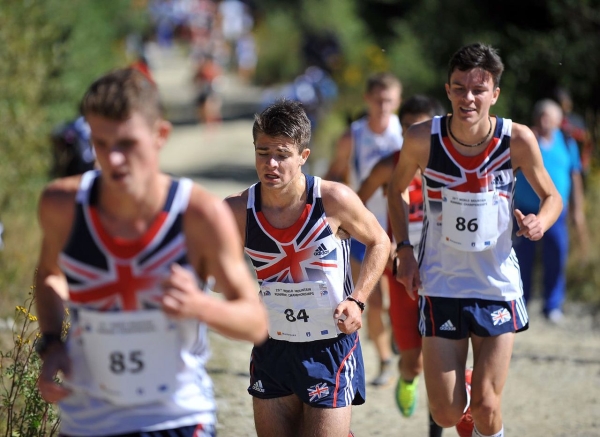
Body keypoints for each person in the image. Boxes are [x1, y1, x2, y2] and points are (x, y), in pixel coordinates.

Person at [34, 67, 268, 437]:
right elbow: (49, 274)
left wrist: (200, 306)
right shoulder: (62, 205)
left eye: (127, 144)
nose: (113, 159)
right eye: (100, 143)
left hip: (175, 417)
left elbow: (255, 322)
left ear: (161, 135)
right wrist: (51, 344)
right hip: (88, 419)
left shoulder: (199, 214)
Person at [387, 43, 562, 437]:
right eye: (460, 88)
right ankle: (466, 386)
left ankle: (483, 406)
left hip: (496, 285)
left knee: (486, 406)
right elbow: (395, 191)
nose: (468, 98)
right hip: (441, 282)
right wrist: (404, 250)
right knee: (446, 414)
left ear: (494, 94)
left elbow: (553, 197)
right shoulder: (422, 139)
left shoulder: (517, 139)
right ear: (448, 90)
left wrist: (540, 222)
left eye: (478, 90)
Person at [225, 99, 390, 437]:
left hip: (329, 344)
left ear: (303, 156)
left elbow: (379, 241)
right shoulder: (238, 210)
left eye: (282, 154)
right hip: (272, 344)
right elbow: (210, 267)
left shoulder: (333, 200)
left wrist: (357, 300)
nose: (271, 163)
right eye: (262, 152)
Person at [357, 94, 445, 437]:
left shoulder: (450, 165)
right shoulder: (389, 164)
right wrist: (382, 241)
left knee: (442, 361)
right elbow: (355, 204)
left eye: (420, 128)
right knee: (415, 363)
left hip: (444, 272)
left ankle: (436, 426)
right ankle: (407, 376)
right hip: (402, 272)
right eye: (407, 127)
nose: (413, 135)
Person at [325, 72, 403, 386]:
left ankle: (398, 335)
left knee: (399, 297)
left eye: (389, 100)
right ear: (367, 99)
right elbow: (333, 174)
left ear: (397, 101)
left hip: (399, 225)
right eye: (378, 100)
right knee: (372, 298)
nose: (383, 106)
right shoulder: (353, 136)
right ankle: (384, 360)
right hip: (362, 227)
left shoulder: (405, 133)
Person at [513, 99, 588, 323]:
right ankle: (521, 303)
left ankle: (553, 305)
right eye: (541, 115)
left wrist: (578, 210)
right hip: (525, 211)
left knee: (556, 256)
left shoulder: (567, 142)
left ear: (558, 120)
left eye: (549, 116)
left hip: (556, 212)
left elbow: (575, 175)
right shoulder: (527, 140)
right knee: (522, 259)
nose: (544, 120)